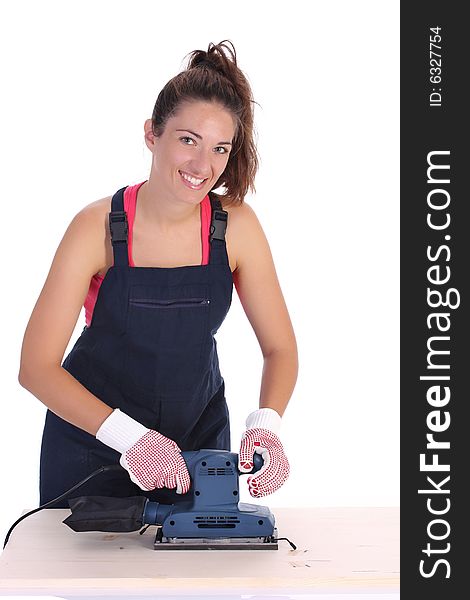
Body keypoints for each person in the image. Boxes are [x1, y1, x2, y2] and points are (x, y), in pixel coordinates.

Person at [18, 40, 298, 508]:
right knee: (93, 578)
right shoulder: (96, 229)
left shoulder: (237, 228)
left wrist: (266, 427)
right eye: (188, 140)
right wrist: (130, 439)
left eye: (219, 149)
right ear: (152, 134)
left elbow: (280, 348)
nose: (202, 166)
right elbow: (36, 368)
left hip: (198, 444)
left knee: (198, 578)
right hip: (94, 447)